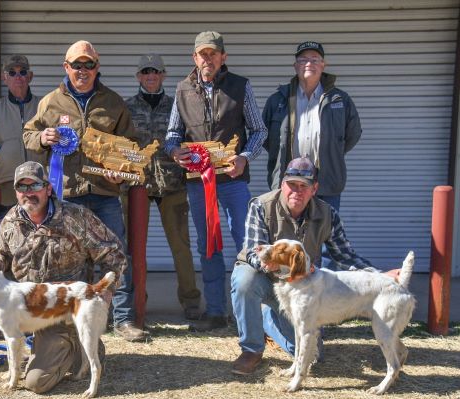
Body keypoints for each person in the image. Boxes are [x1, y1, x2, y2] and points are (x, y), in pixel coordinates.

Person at [0, 161, 127, 394]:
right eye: (22, 188)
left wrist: (107, 291)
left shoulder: (77, 216)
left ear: (48, 189)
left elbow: (114, 252)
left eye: (35, 186)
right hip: (23, 301)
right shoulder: (11, 219)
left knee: (36, 382)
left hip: (61, 308)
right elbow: (2, 255)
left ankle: (77, 346)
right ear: (16, 192)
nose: (28, 193)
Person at [22, 40, 146, 341]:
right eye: (76, 65)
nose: (83, 70)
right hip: (68, 195)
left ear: (97, 67)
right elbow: (28, 134)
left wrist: (123, 172)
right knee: (69, 257)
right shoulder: (50, 102)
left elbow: (131, 147)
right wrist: (43, 137)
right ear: (66, 67)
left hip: (105, 194)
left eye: (88, 64)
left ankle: (124, 320)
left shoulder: (114, 103)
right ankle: (71, 316)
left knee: (114, 254)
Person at [230, 157, 399, 375]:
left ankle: (267, 320)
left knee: (313, 355)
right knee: (245, 281)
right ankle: (251, 350)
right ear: (282, 184)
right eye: (292, 185)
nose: (296, 192)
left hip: (300, 289)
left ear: (314, 189)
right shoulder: (260, 206)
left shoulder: (328, 214)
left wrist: (379, 276)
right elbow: (254, 251)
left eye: (304, 186)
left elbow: (345, 256)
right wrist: (271, 266)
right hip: (264, 278)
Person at [165, 31, 268, 331]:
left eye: (213, 54)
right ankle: (216, 312)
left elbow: (259, 130)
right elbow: (172, 135)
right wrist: (174, 152)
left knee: (247, 242)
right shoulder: (182, 90)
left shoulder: (241, 86)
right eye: (202, 54)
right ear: (194, 58)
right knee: (208, 246)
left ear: (223, 57)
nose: (207, 59)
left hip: (234, 180)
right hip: (199, 183)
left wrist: (245, 157)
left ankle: (251, 313)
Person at [124, 53, 202, 320]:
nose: (150, 76)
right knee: (135, 247)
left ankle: (191, 301)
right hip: (137, 185)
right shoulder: (126, 107)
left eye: (155, 71)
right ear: (138, 76)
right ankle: (136, 301)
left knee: (181, 245)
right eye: (145, 71)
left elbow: (191, 139)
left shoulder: (177, 105)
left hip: (173, 184)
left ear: (163, 75)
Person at [262, 41, 361, 212]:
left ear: (323, 65)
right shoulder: (278, 99)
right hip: (289, 185)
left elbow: (353, 133)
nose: (309, 64)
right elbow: (265, 137)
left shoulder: (340, 100)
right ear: (295, 66)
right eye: (303, 60)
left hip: (326, 183)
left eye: (315, 59)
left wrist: (331, 151)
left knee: (324, 235)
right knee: (289, 237)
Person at [0, 54, 47, 205]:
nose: (18, 77)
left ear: (30, 76)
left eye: (22, 72)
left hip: (40, 183)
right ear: (4, 78)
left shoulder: (44, 106)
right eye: (12, 73)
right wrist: (0, 155)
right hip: (8, 183)